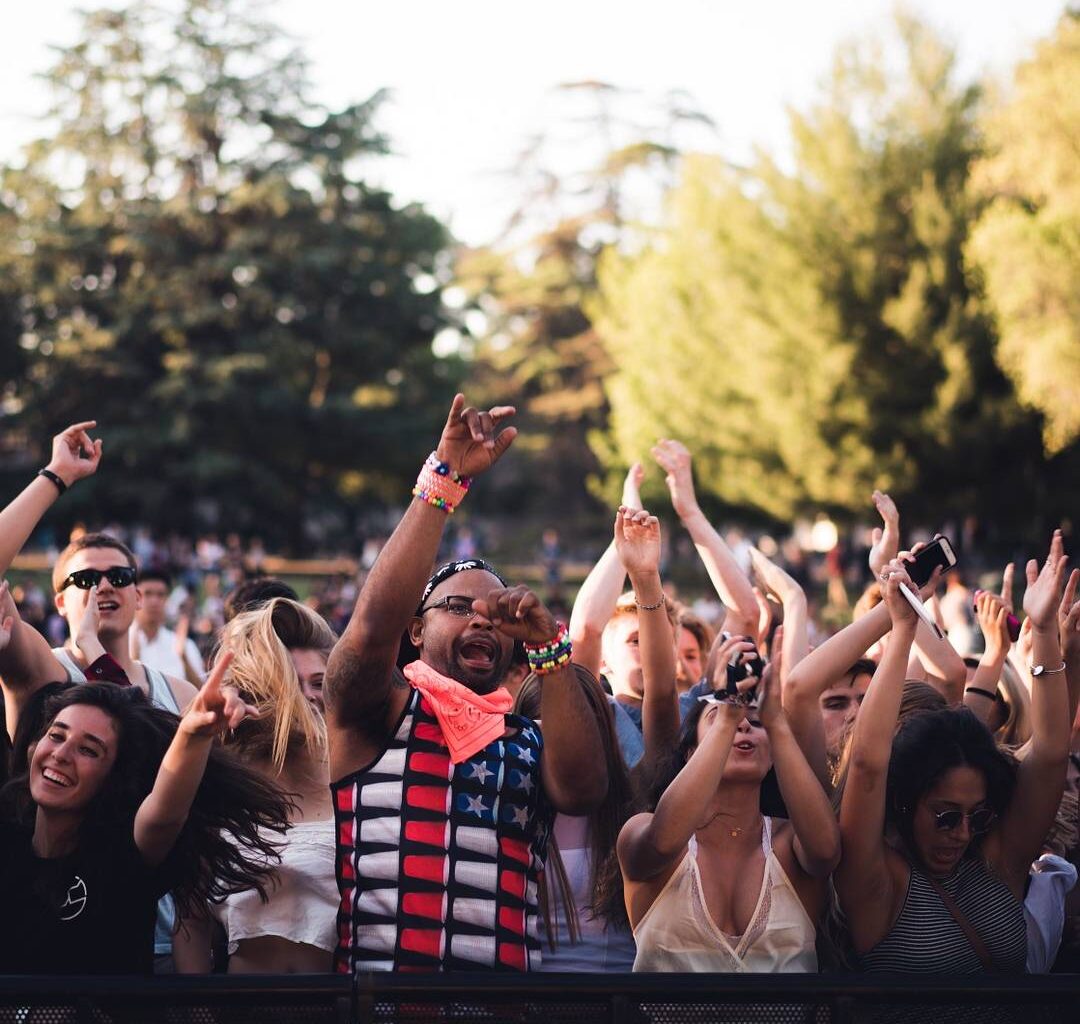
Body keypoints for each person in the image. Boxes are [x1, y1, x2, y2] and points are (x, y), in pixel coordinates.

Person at [323, 394, 607, 973]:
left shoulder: (529, 737)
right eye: (457, 606)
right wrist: (443, 479)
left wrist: (550, 646)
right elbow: (370, 629)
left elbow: (583, 791)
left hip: (497, 1008)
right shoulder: (376, 714)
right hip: (379, 1006)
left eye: (493, 612)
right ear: (416, 630)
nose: (480, 617)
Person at [837, 538, 1071, 973]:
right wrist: (903, 629)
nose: (962, 833)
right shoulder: (877, 883)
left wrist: (1042, 634)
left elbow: (1053, 750)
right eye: (945, 815)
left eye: (977, 816)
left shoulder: (996, 861)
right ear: (906, 802)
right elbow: (868, 764)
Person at [0, 653, 290, 974]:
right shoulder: (9, 841)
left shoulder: (123, 854)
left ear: (114, 776)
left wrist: (193, 733)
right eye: (56, 735)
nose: (61, 754)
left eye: (89, 750)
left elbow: (164, 815)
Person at [618, 631, 840, 972]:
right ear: (692, 753)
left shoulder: (790, 842)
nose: (744, 726)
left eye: (755, 722)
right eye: (719, 718)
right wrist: (727, 710)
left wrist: (777, 719)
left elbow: (826, 852)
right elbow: (661, 844)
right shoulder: (642, 829)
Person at [177, 598, 339, 973]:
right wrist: (197, 1016)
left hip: (337, 1005)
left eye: (319, 682)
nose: (310, 696)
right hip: (240, 1005)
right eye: (294, 685)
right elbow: (190, 921)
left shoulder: (354, 775)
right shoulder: (224, 783)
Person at [130, 569, 206, 687]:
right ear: (135, 597)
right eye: (147, 594)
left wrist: (184, 658)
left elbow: (203, 693)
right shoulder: (120, 641)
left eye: (160, 595)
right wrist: (133, 660)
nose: (154, 601)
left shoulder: (184, 645)